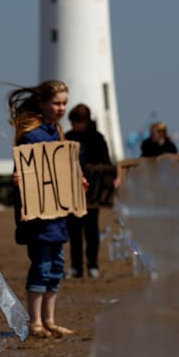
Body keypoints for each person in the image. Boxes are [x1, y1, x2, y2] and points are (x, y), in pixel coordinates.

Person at [8, 79, 79, 338]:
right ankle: (35, 322)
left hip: (58, 214)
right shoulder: (30, 136)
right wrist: (18, 179)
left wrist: (77, 181)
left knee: (57, 265)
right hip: (38, 216)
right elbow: (23, 171)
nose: (61, 108)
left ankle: (49, 319)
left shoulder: (57, 133)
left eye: (64, 104)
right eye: (57, 103)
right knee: (42, 265)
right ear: (43, 103)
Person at [64, 104, 117, 279]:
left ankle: (93, 265)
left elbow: (106, 164)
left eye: (75, 122)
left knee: (91, 230)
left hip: (92, 195)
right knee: (74, 231)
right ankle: (77, 267)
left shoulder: (97, 138)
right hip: (72, 193)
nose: (73, 125)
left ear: (83, 121)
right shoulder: (69, 137)